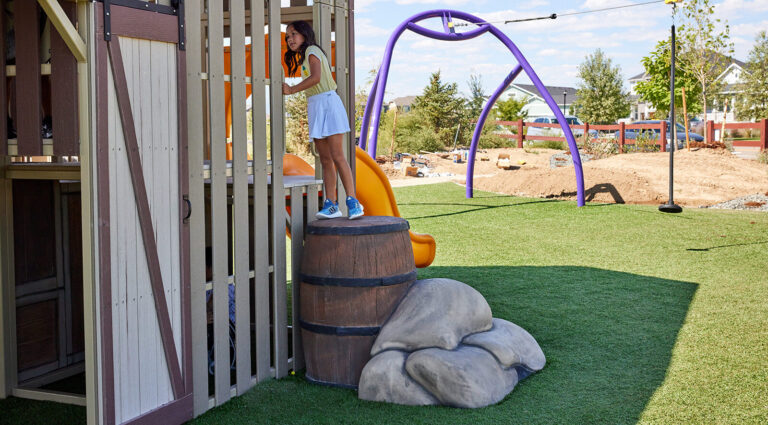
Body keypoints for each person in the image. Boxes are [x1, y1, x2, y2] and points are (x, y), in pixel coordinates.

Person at [282, 21, 364, 220]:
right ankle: (331, 204)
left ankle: (353, 202)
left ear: (304, 33)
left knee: (337, 156)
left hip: (328, 103)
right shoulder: (304, 58)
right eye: (287, 37)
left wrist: (291, 90)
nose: (290, 39)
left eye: (294, 34)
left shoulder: (312, 50)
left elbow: (317, 77)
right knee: (325, 159)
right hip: (316, 106)